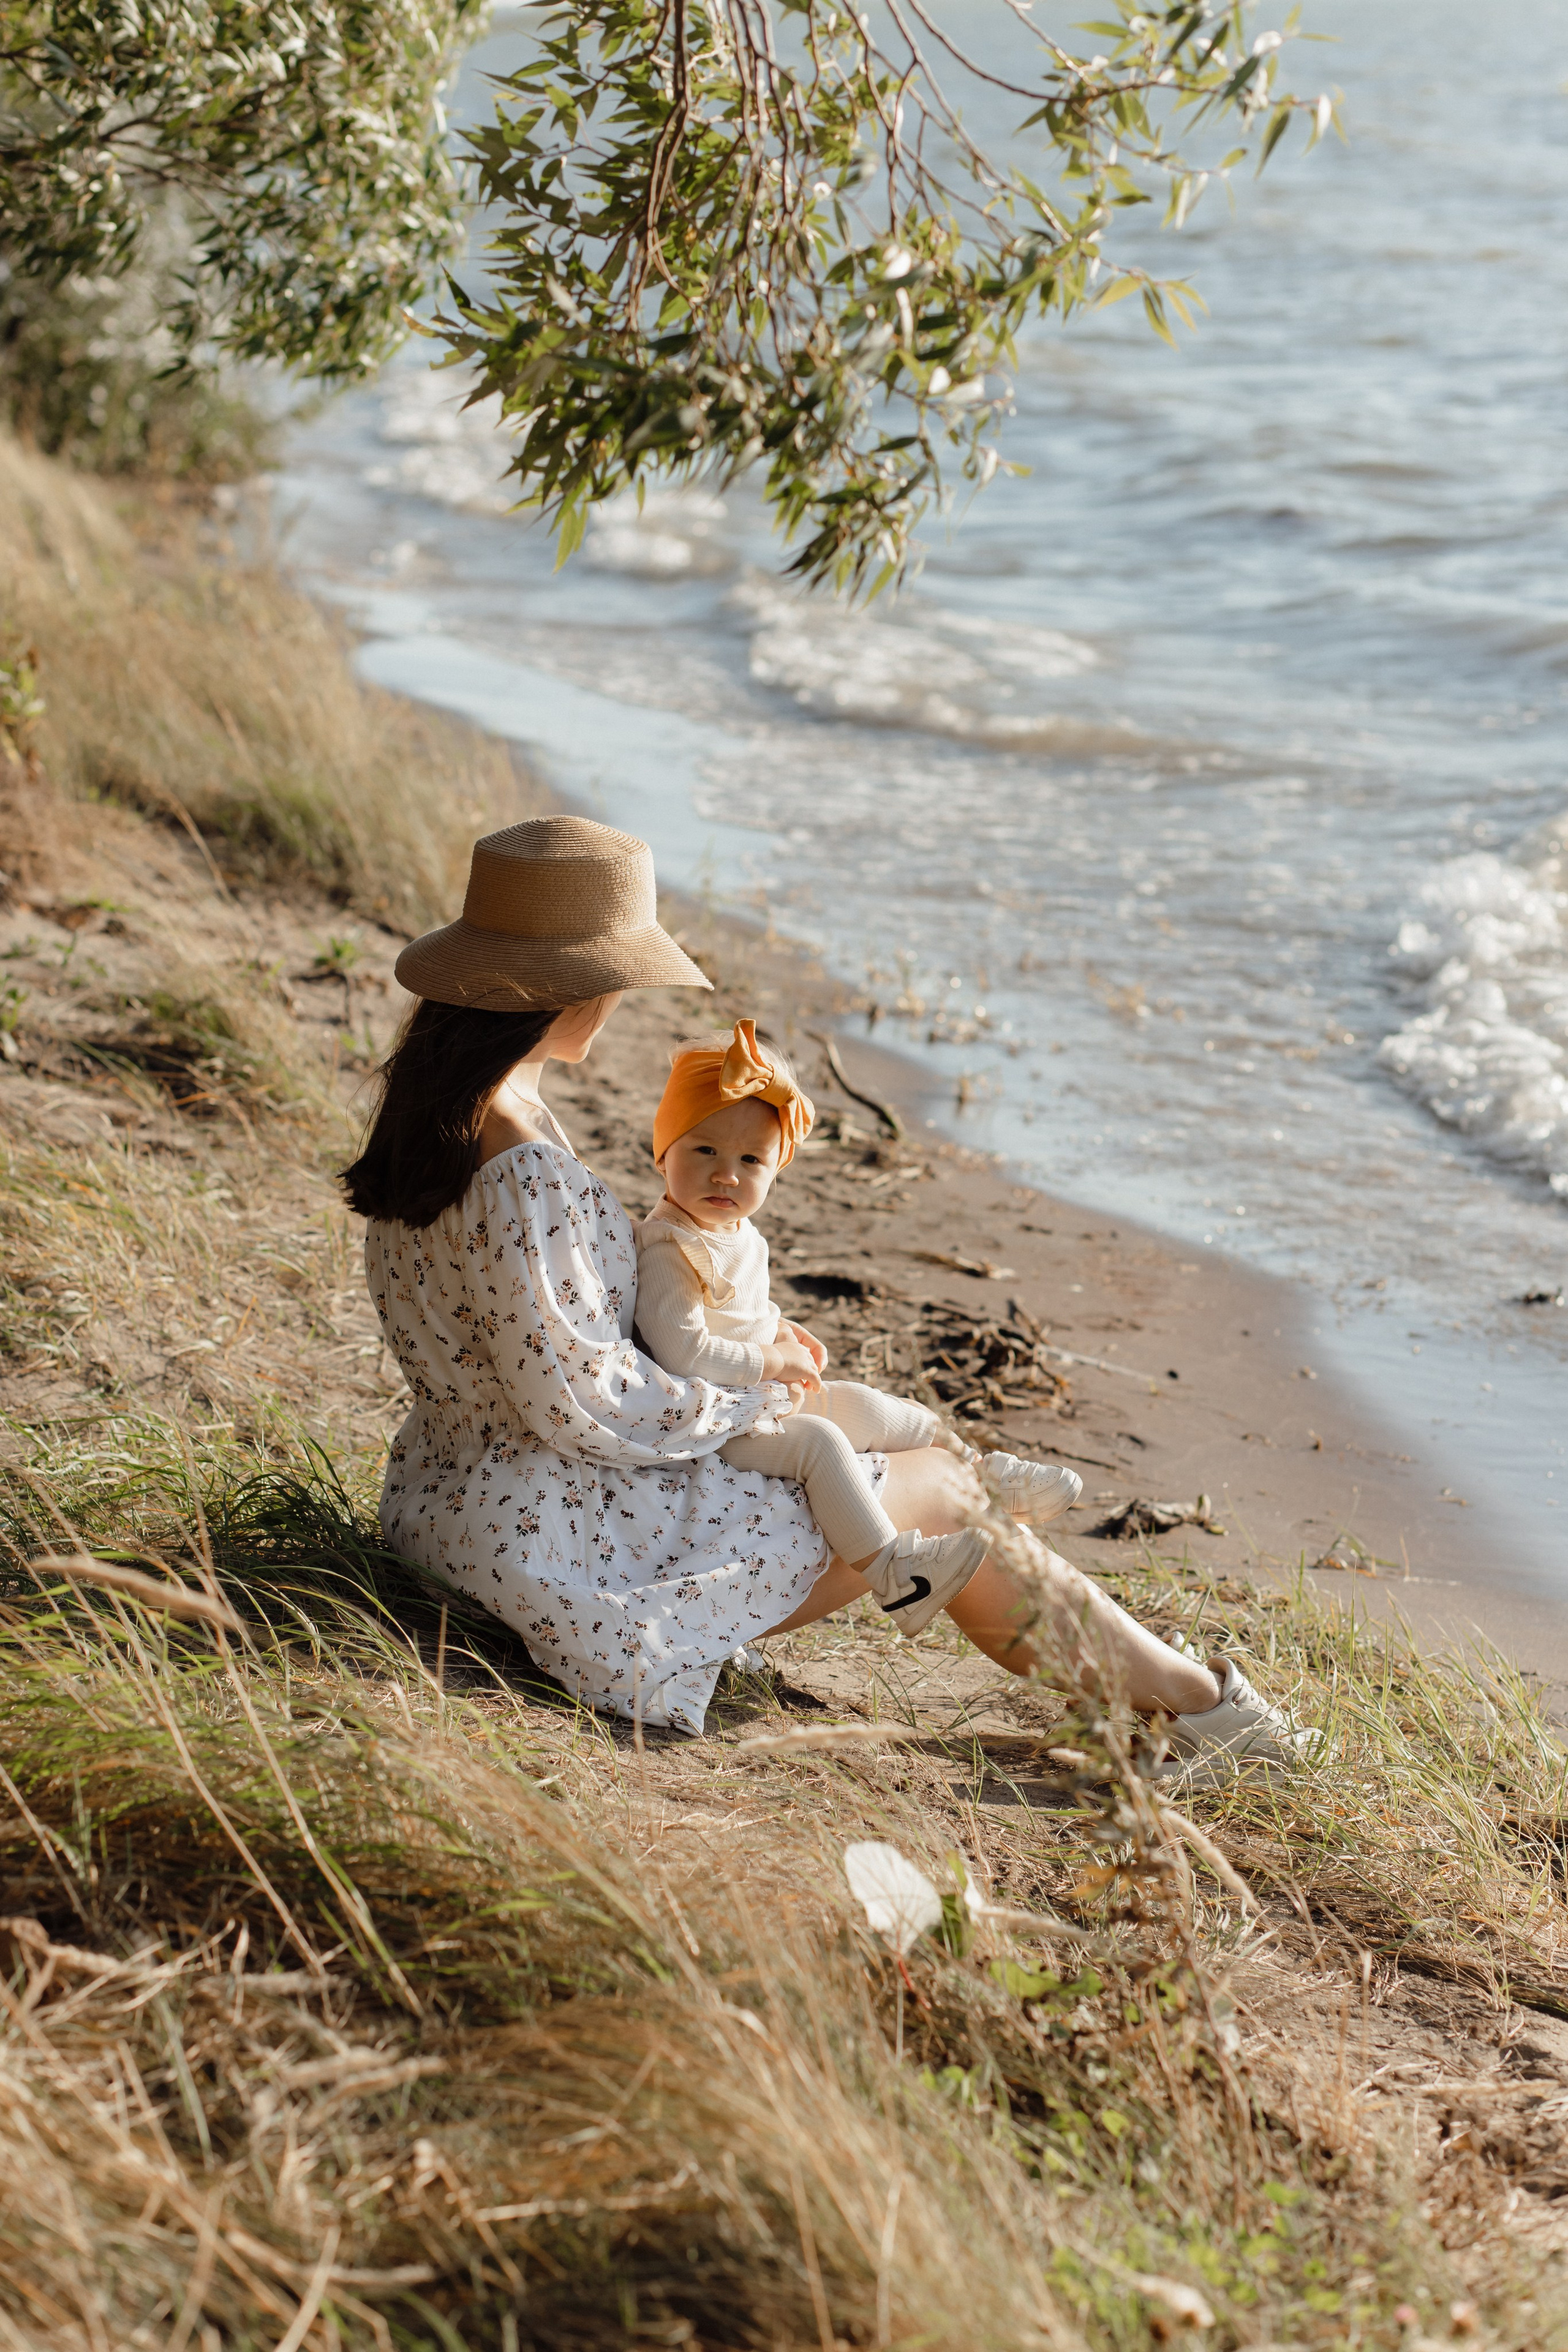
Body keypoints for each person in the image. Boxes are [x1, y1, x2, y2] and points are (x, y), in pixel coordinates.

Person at [344, 813, 1317, 1773]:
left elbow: (539, 1360)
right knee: (939, 1487)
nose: (621, 1002)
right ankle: (1209, 1716)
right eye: (619, 981)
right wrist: (754, 1389)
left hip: (450, 1502)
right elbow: (583, 1400)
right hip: (557, 1549)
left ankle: (1177, 1709)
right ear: (569, 991)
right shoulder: (528, 1173)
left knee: (883, 1453)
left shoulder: (437, 1127)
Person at [635, 1018, 1082, 1634]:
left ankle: (979, 1471)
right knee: (821, 1446)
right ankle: (895, 1574)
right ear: (664, 1152)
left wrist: (780, 1329)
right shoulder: (671, 1247)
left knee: (872, 1410)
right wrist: (772, 1360)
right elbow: (683, 1351)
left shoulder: (735, 1232)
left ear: (776, 1167)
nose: (726, 1176)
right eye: (704, 1150)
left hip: (755, 1399)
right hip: (705, 1423)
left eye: (751, 1160)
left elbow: (736, 1312)